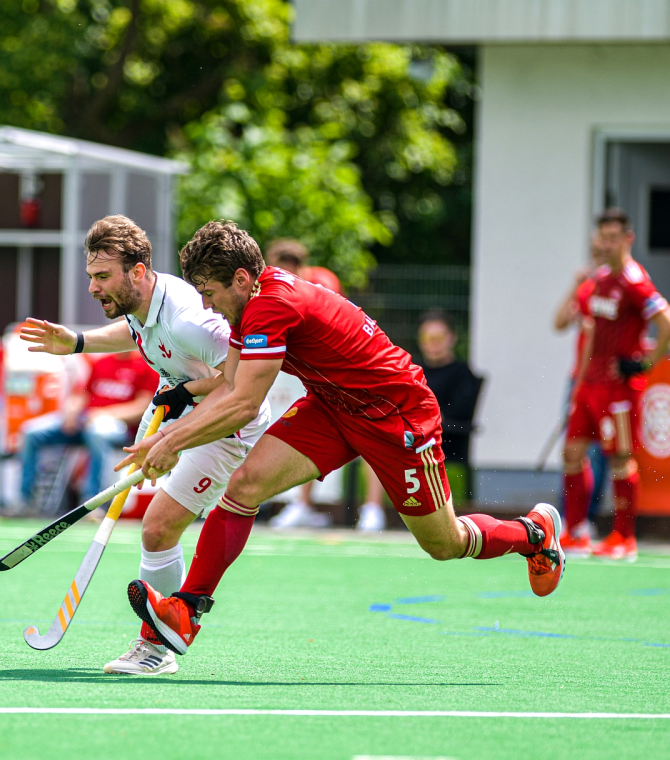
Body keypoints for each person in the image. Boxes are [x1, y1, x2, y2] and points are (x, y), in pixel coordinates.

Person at [120, 221, 565, 658]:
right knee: (244, 486)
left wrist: (171, 443)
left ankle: (531, 534)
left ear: (240, 278)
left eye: (209, 292)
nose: (206, 304)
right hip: (334, 407)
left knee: (444, 543)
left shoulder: (271, 306)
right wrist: (173, 421)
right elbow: (230, 382)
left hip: (397, 416)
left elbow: (243, 405)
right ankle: (187, 608)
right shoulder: (248, 303)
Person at [19, 215, 272, 676]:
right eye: (91, 276)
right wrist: (77, 342)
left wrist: (177, 423)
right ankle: (160, 641)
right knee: (157, 528)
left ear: (137, 272)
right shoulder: (143, 304)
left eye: (103, 277)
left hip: (227, 425)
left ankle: (157, 648)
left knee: (157, 528)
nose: (94, 288)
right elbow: (135, 331)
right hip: (182, 413)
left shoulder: (190, 319)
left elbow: (237, 381)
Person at [561, 208, 670, 561]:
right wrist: (579, 378)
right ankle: (575, 531)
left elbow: (665, 320)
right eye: (602, 237)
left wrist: (647, 363)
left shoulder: (636, 281)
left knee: (621, 460)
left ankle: (624, 537)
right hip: (590, 386)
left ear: (628, 239)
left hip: (619, 390)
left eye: (613, 238)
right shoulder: (600, 278)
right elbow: (582, 327)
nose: (606, 244)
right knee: (572, 454)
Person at [262, 238, 387, 532]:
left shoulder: (322, 283)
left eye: (287, 271)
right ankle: (303, 505)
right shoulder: (273, 289)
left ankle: (373, 510)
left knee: (373, 435)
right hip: (317, 378)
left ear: (300, 267)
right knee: (304, 437)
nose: (280, 278)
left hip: (350, 374)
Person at [14, 349, 158, 512]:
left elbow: (143, 407)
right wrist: (71, 412)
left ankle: (92, 503)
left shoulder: (147, 364)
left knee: (97, 433)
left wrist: (105, 414)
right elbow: (81, 394)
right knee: (31, 432)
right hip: (85, 420)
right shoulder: (102, 361)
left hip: (117, 425)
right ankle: (25, 501)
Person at [552, 237, 609, 541]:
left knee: (600, 452)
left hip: (606, 381)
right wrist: (575, 285)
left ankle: (586, 516)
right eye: (595, 253)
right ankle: (569, 516)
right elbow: (559, 322)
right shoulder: (587, 286)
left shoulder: (619, 288)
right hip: (579, 378)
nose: (598, 258)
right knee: (573, 449)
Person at [415, 310, 482, 473]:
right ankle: (374, 499)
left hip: (444, 443)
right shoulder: (413, 371)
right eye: (428, 338)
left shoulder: (463, 374)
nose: (434, 343)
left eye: (439, 337)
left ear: (452, 338)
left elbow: (459, 414)